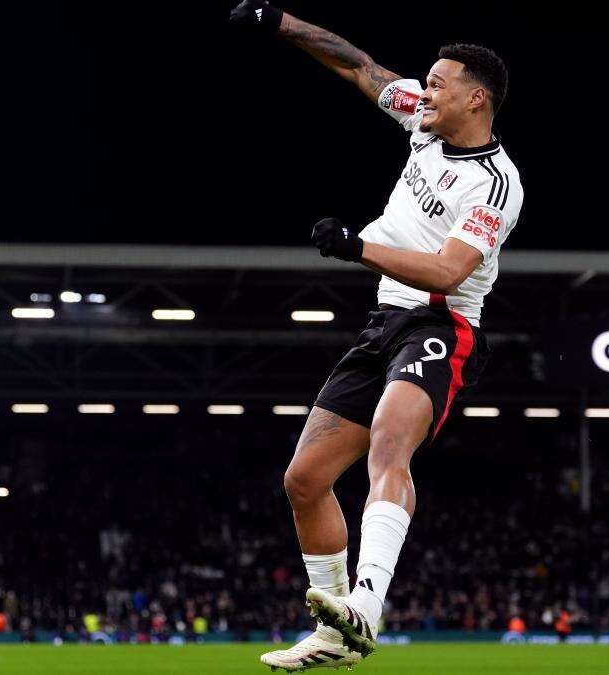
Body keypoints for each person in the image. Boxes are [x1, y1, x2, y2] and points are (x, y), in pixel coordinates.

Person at [230, 1, 523, 670]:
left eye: (439, 83)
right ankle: (336, 635)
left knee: (390, 442)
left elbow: (451, 269)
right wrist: (280, 22)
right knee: (303, 478)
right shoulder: (422, 124)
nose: (425, 91)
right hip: (383, 322)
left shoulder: (496, 184)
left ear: (476, 98)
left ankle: (367, 603)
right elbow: (358, 66)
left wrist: (356, 246)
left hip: (442, 324)